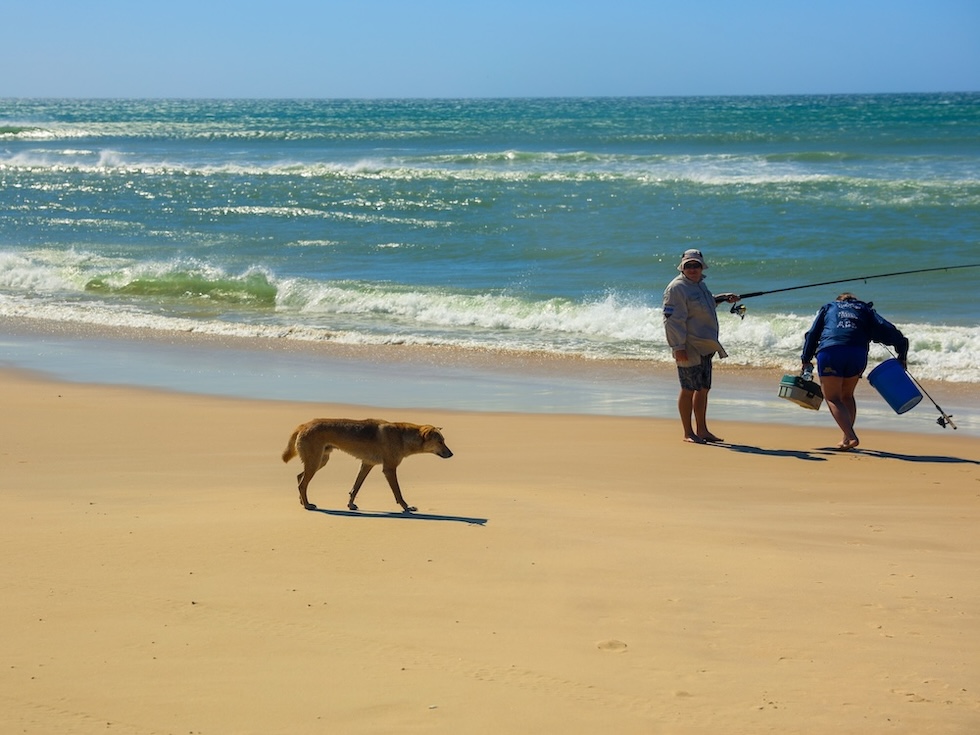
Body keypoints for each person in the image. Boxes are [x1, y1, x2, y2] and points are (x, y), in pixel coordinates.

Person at [801, 293, 909, 451]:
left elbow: (812, 334)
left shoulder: (829, 307)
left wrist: (805, 359)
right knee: (846, 396)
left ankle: (851, 436)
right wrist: (902, 353)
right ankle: (846, 439)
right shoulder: (864, 309)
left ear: (840, 300)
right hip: (857, 355)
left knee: (832, 398)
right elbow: (888, 330)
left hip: (831, 351)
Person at [662, 249, 741, 444]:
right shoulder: (676, 288)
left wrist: (722, 298)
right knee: (688, 388)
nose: (693, 269)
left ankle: (702, 430)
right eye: (688, 265)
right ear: (682, 267)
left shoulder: (700, 285)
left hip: (706, 345)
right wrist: (678, 347)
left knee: (703, 388)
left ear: (701, 266)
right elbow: (672, 320)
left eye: (696, 265)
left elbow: (704, 305)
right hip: (689, 346)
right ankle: (688, 432)